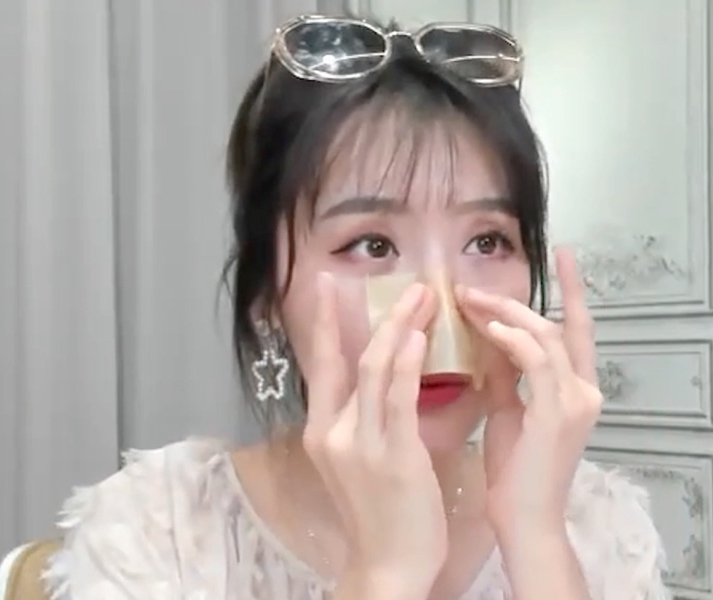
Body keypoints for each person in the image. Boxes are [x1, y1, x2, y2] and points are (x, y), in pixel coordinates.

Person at [39, 14, 669, 600]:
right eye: (372, 245)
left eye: (487, 241)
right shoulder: (160, 533)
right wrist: (385, 572)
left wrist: (536, 540)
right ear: (266, 296)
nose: (438, 315)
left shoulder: (594, 525)